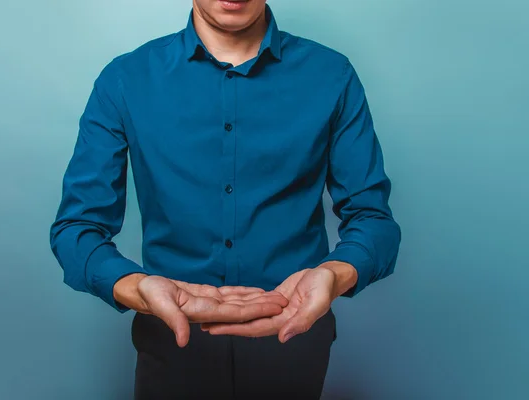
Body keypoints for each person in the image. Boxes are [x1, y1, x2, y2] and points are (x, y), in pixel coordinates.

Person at [50, 1, 401, 398]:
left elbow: (373, 219)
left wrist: (335, 275)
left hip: (294, 343)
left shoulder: (332, 76)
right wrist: (138, 286)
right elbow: (77, 228)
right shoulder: (124, 80)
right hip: (170, 345)